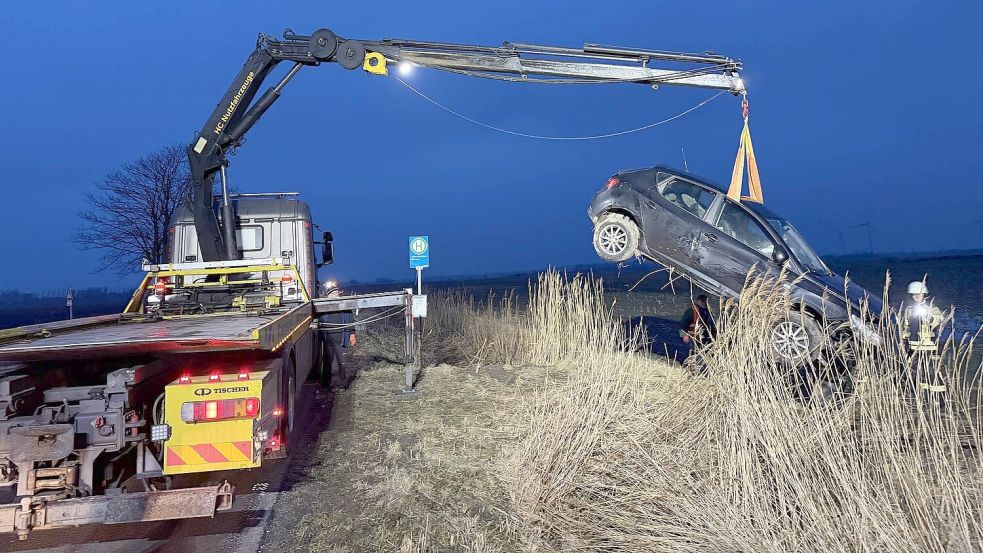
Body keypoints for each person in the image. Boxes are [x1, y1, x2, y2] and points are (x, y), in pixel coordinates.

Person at [901, 280, 946, 396]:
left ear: (924, 294)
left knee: (931, 370)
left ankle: (939, 397)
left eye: (919, 294)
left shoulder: (932, 308)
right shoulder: (908, 309)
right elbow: (905, 326)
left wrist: (929, 319)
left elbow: (940, 321)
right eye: (914, 294)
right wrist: (903, 338)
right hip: (914, 346)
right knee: (916, 370)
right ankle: (922, 395)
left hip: (930, 346)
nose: (917, 296)